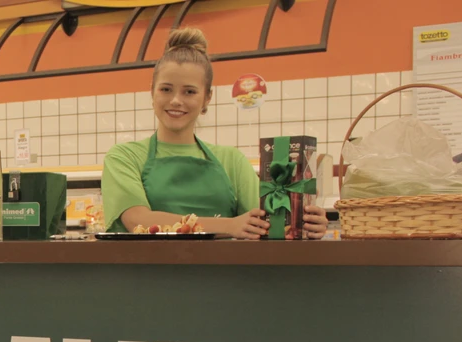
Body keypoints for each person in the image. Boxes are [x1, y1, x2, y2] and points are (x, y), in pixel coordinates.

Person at [101, 28, 327, 239]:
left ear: (207, 98)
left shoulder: (232, 160)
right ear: (152, 92)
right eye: (166, 89)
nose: (176, 100)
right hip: (148, 269)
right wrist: (228, 226)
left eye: (189, 91)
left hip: (224, 270)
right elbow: (138, 221)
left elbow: (265, 221)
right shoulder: (125, 157)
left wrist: (303, 222)